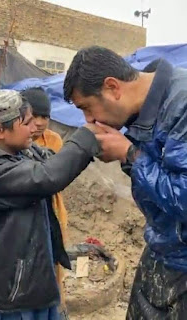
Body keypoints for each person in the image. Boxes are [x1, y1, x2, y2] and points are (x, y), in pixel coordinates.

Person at [63, 46, 187, 320]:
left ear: (112, 87)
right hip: (162, 247)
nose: (89, 120)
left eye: (86, 108)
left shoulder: (182, 104)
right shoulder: (142, 113)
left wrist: (129, 154)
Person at [0, 89, 104, 320]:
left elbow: (52, 161)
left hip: (34, 281)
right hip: (12, 295)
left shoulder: (22, 151)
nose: (36, 127)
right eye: (27, 122)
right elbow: (46, 176)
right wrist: (87, 137)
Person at [22, 87, 68, 316]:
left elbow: (53, 175)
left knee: (53, 260)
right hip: (24, 215)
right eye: (35, 116)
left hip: (51, 209)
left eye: (45, 117)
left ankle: (56, 305)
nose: (39, 123)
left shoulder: (53, 139)